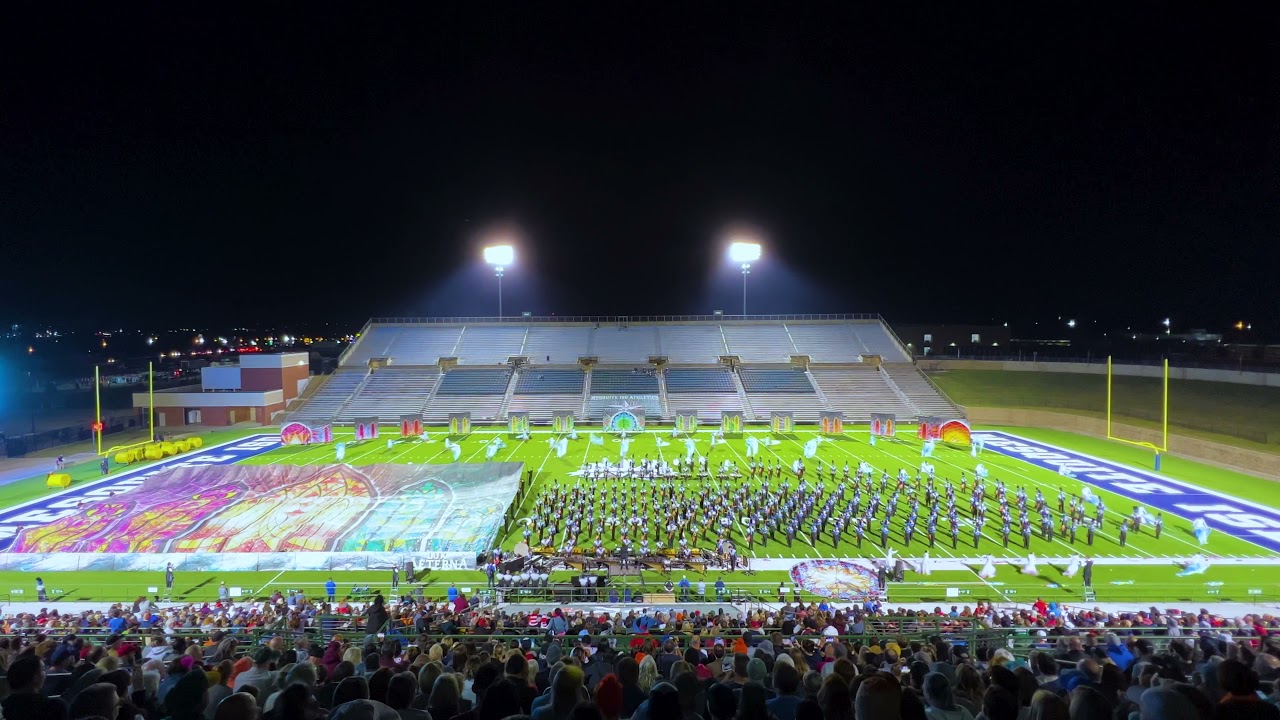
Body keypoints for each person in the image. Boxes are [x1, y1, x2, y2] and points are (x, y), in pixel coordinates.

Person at [2, 655, 69, 720]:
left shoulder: (4, 707)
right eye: (43, 670)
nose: (45, 673)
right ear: (35, 678)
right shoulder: (55, 707)